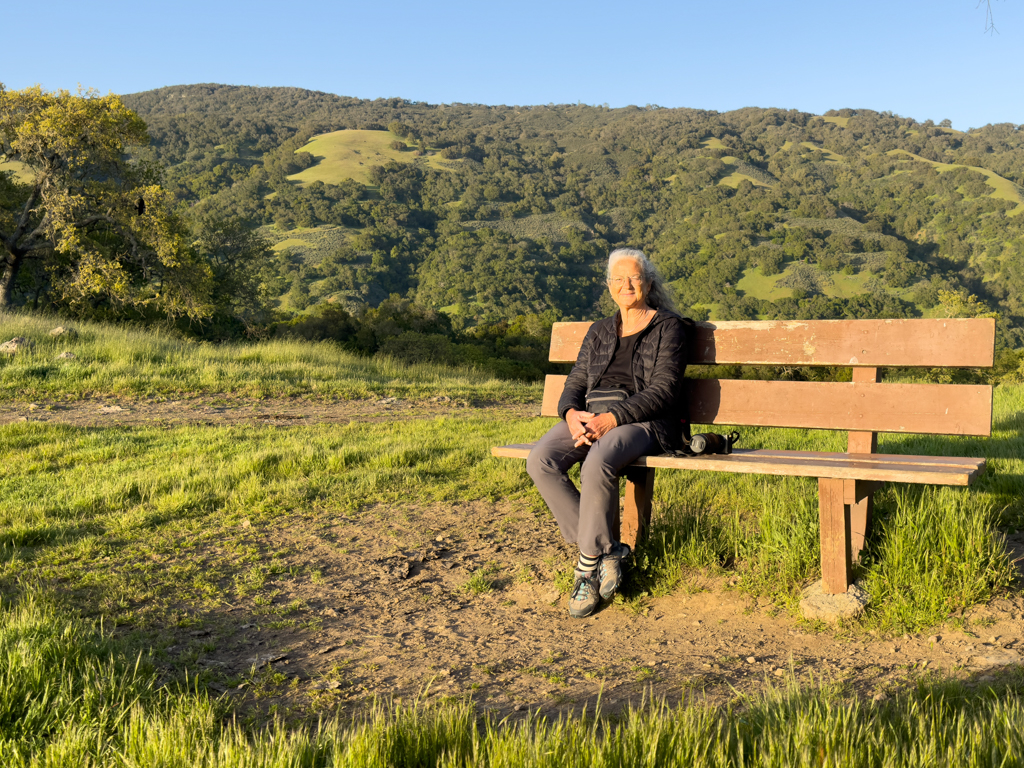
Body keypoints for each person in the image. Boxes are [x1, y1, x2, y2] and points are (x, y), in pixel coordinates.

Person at [527, 248, 688, 619]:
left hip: (644, 422)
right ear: (608, 287)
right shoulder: (599, 330)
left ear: (648, 284)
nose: (626, 285)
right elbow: (577, 380)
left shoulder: (668, 327)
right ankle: (606, 550)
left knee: (598, 462)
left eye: (633, 278)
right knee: (542, 460)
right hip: (593, 416)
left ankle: (585, 567)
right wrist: (570, 414)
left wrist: (612, 419)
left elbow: (664, 391)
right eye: (618, 279)